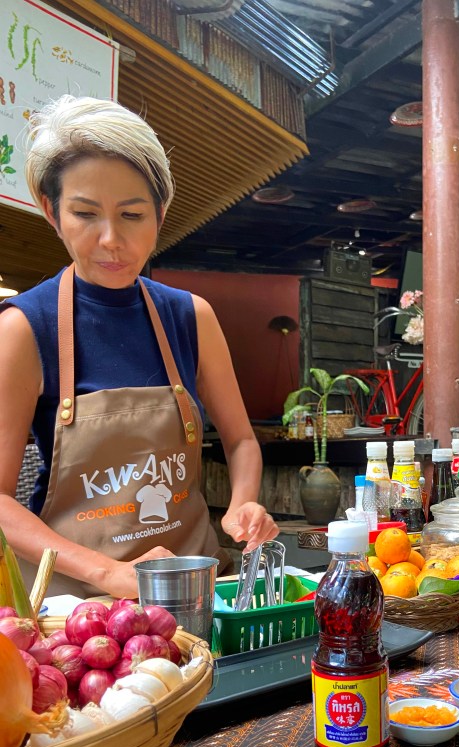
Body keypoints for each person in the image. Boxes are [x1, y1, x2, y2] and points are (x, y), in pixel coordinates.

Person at [0, 95, 278, 599]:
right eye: (85, 214)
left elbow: (240, 442)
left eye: (132, 214)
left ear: (161, 212)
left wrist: (243, 503)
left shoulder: (191, 317)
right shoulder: (24, 328)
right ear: (51, 210)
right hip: (80, 607)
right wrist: (109, 574)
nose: (110, 239)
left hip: (196, 589)